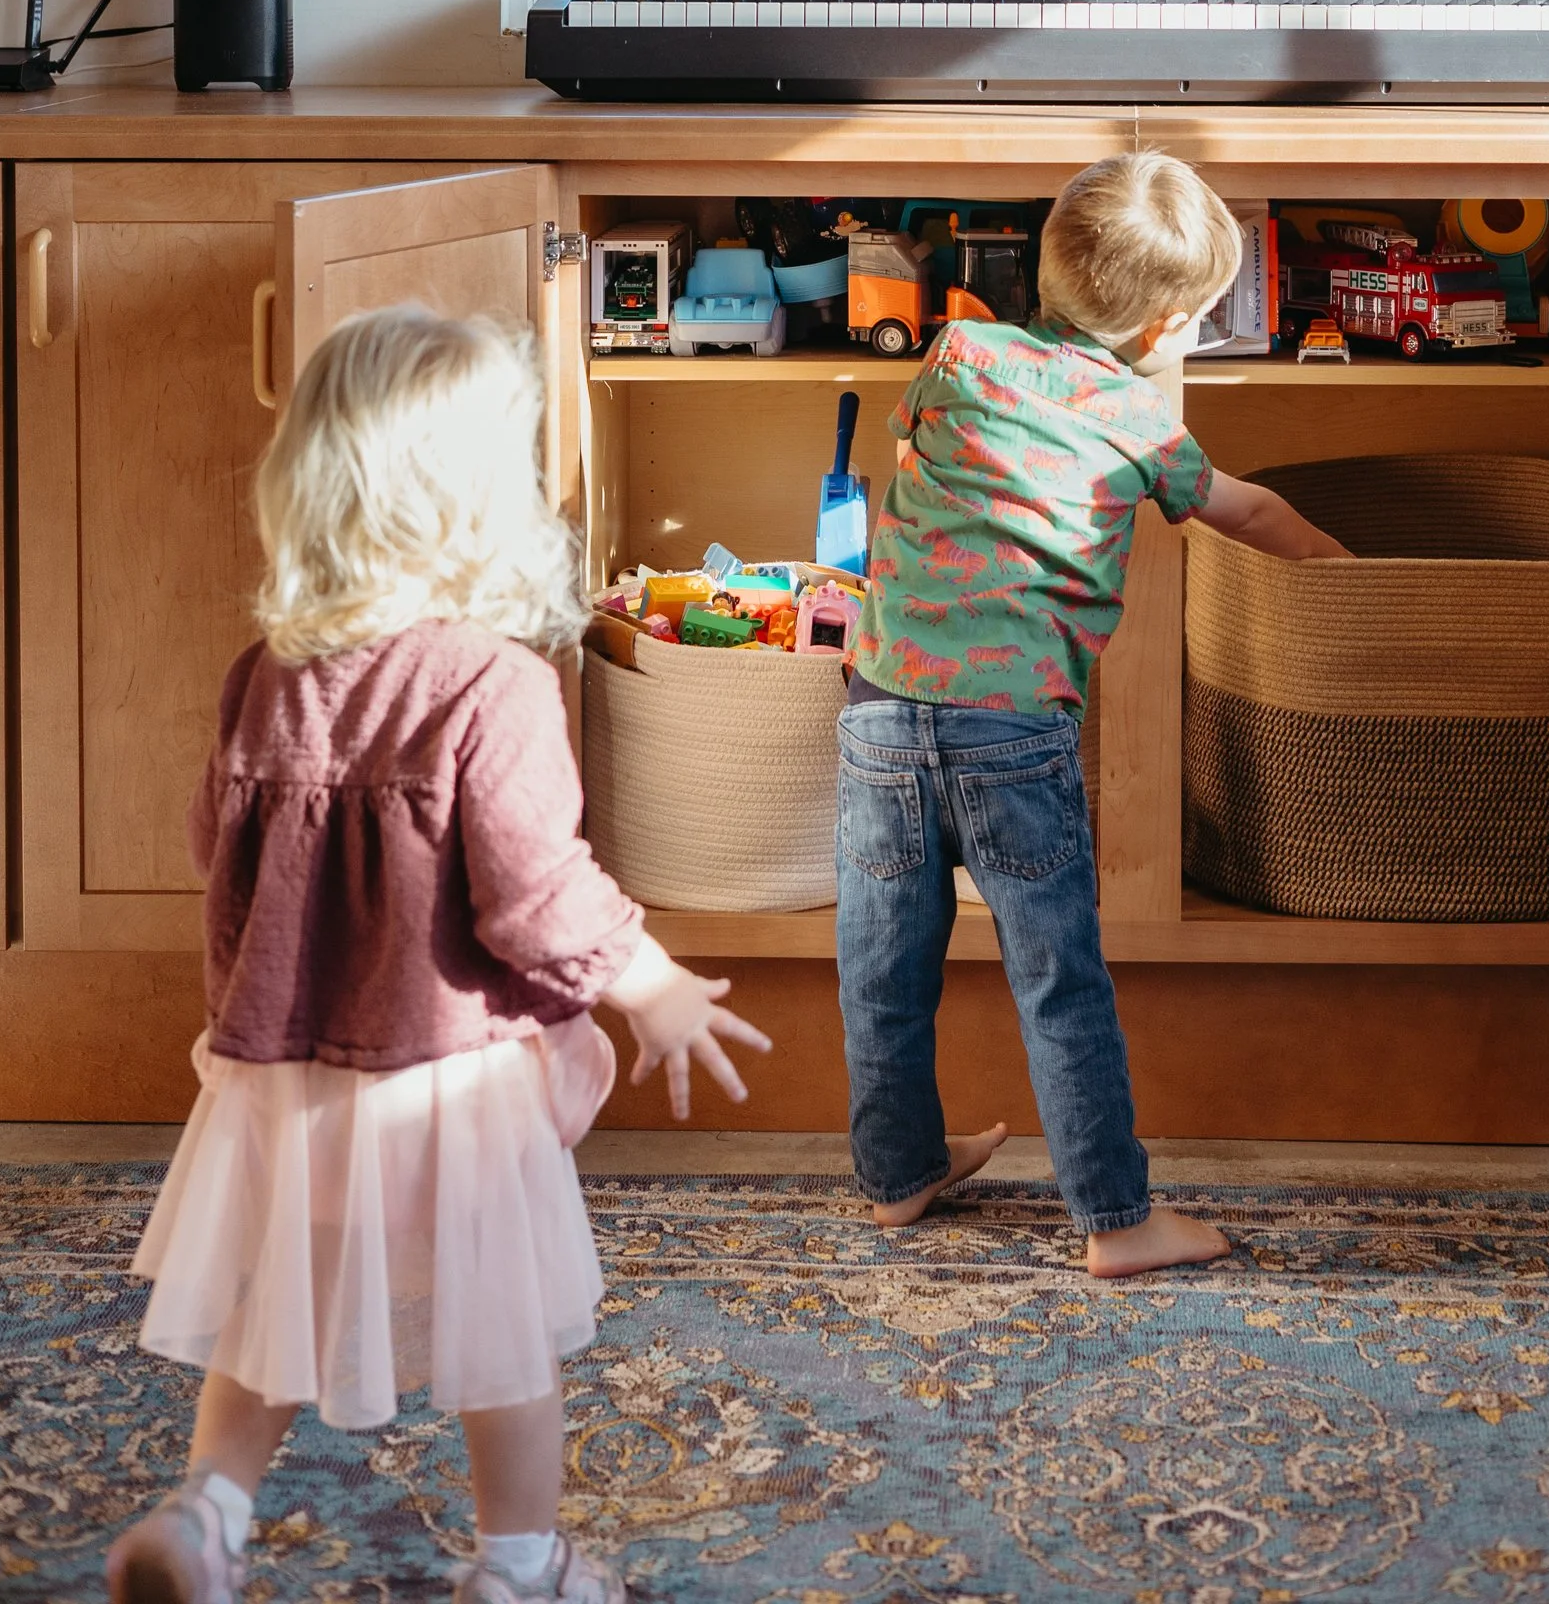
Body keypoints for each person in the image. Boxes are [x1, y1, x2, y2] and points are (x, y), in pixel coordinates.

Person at [105, 307, 770, 1604]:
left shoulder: (265, 674)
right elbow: (536, 900)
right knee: (501, 1332)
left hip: (288, 1078)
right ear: (485, 503)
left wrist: (242, 1032)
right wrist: (658, 988)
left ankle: (208, 1516)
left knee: (273, 1305)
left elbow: (215, 851)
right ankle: (520, 1566)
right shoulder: (494, 685)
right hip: (445, 1085)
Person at [838, 149, 1344, 1277]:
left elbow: (912, 445)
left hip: (879, 707)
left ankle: (897, 1178)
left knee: (881, 966)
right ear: (1165, 329)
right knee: (1056, 979)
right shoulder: (1137, 421)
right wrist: (1342, 568)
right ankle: (1117, 1220)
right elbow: (1249, 511)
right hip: (1008, 728)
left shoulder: (957, 349)